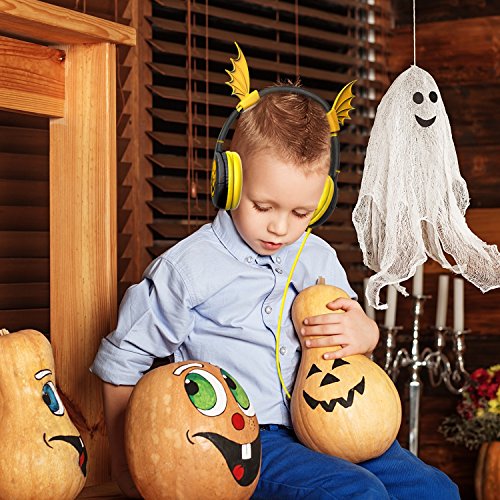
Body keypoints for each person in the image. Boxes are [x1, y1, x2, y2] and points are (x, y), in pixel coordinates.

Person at [90, 83, 460, 499]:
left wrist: (366, 333)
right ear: (229, 181)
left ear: (322, 201)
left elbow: (347, 341)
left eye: (301, 213)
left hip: (329, 423)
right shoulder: (187, 269)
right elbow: (123, 360)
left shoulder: (318, 257)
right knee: (357, 493)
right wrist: (125, 466)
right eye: (263, 207)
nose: (280, 228)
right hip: (245, 439)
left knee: (434, 490)